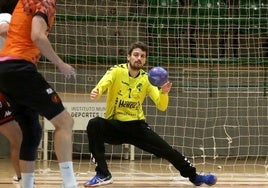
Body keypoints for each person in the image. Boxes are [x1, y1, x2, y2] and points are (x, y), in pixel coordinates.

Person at [84, 41, 217, 187]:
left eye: (142, 56)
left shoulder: (147, 79)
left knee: (167, 150)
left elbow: (161, 106)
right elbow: (105, 82)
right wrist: (97, 91)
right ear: (128, 57)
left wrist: (164, 93)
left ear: (145, 60)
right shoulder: (116, 71)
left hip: (137, 127)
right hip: (115, 125)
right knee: (94, 123)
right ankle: (103, 174)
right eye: (135, 55)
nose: (139, 58)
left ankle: (195, 177)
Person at [0, 0, 78, 188]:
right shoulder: (45, 1)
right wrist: (60, 64)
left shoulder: (23, 3)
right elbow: (37, 36)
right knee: (65, 122)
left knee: (32, 131)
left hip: (4, 70)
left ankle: (27, 185)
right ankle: (69, 184)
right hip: (20, 67)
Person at [0, 0, 22, 183]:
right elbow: (5, 28)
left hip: (8, 86)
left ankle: (21, 176)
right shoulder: (7, 18)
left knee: (18, 136)